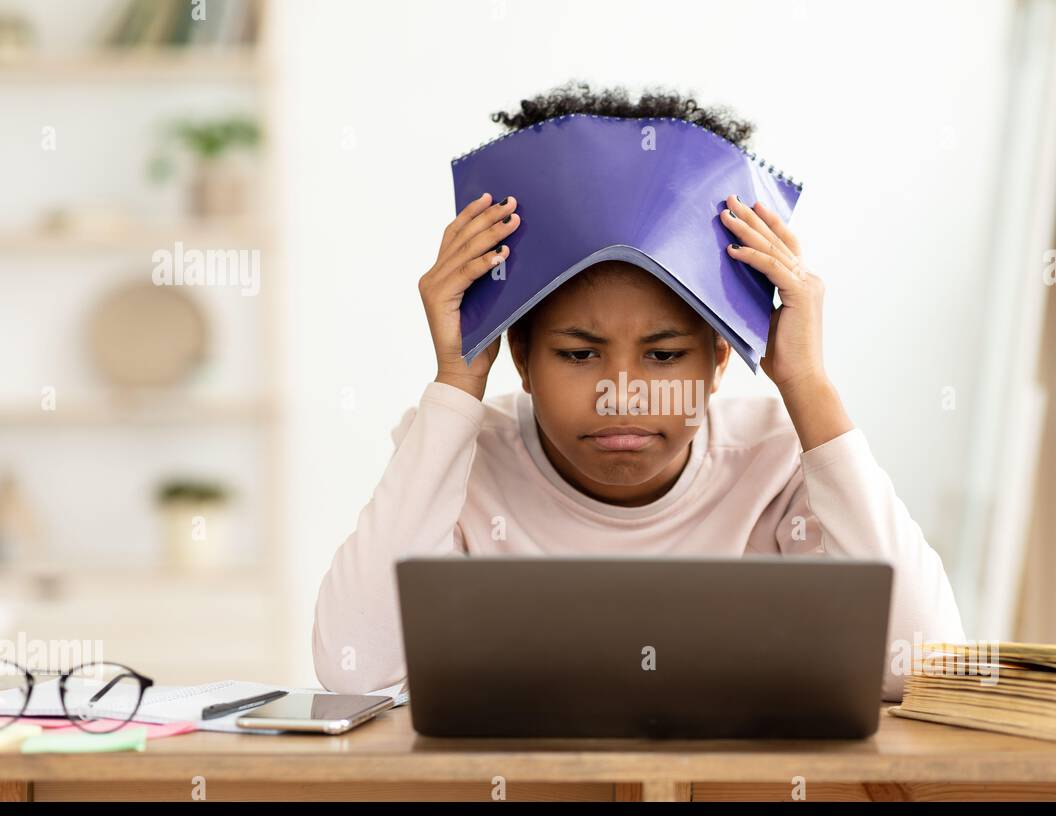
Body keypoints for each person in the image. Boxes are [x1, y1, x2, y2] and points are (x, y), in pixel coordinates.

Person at [312, 84, 966, 697]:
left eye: (663, 354)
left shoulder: (778, 461)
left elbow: (923, 662)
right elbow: (356, 669)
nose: (621, 394)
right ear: (520, 356)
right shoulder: (459, 458)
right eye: (577, 353)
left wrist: (809, 385)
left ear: (717, 359)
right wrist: (457, 380)